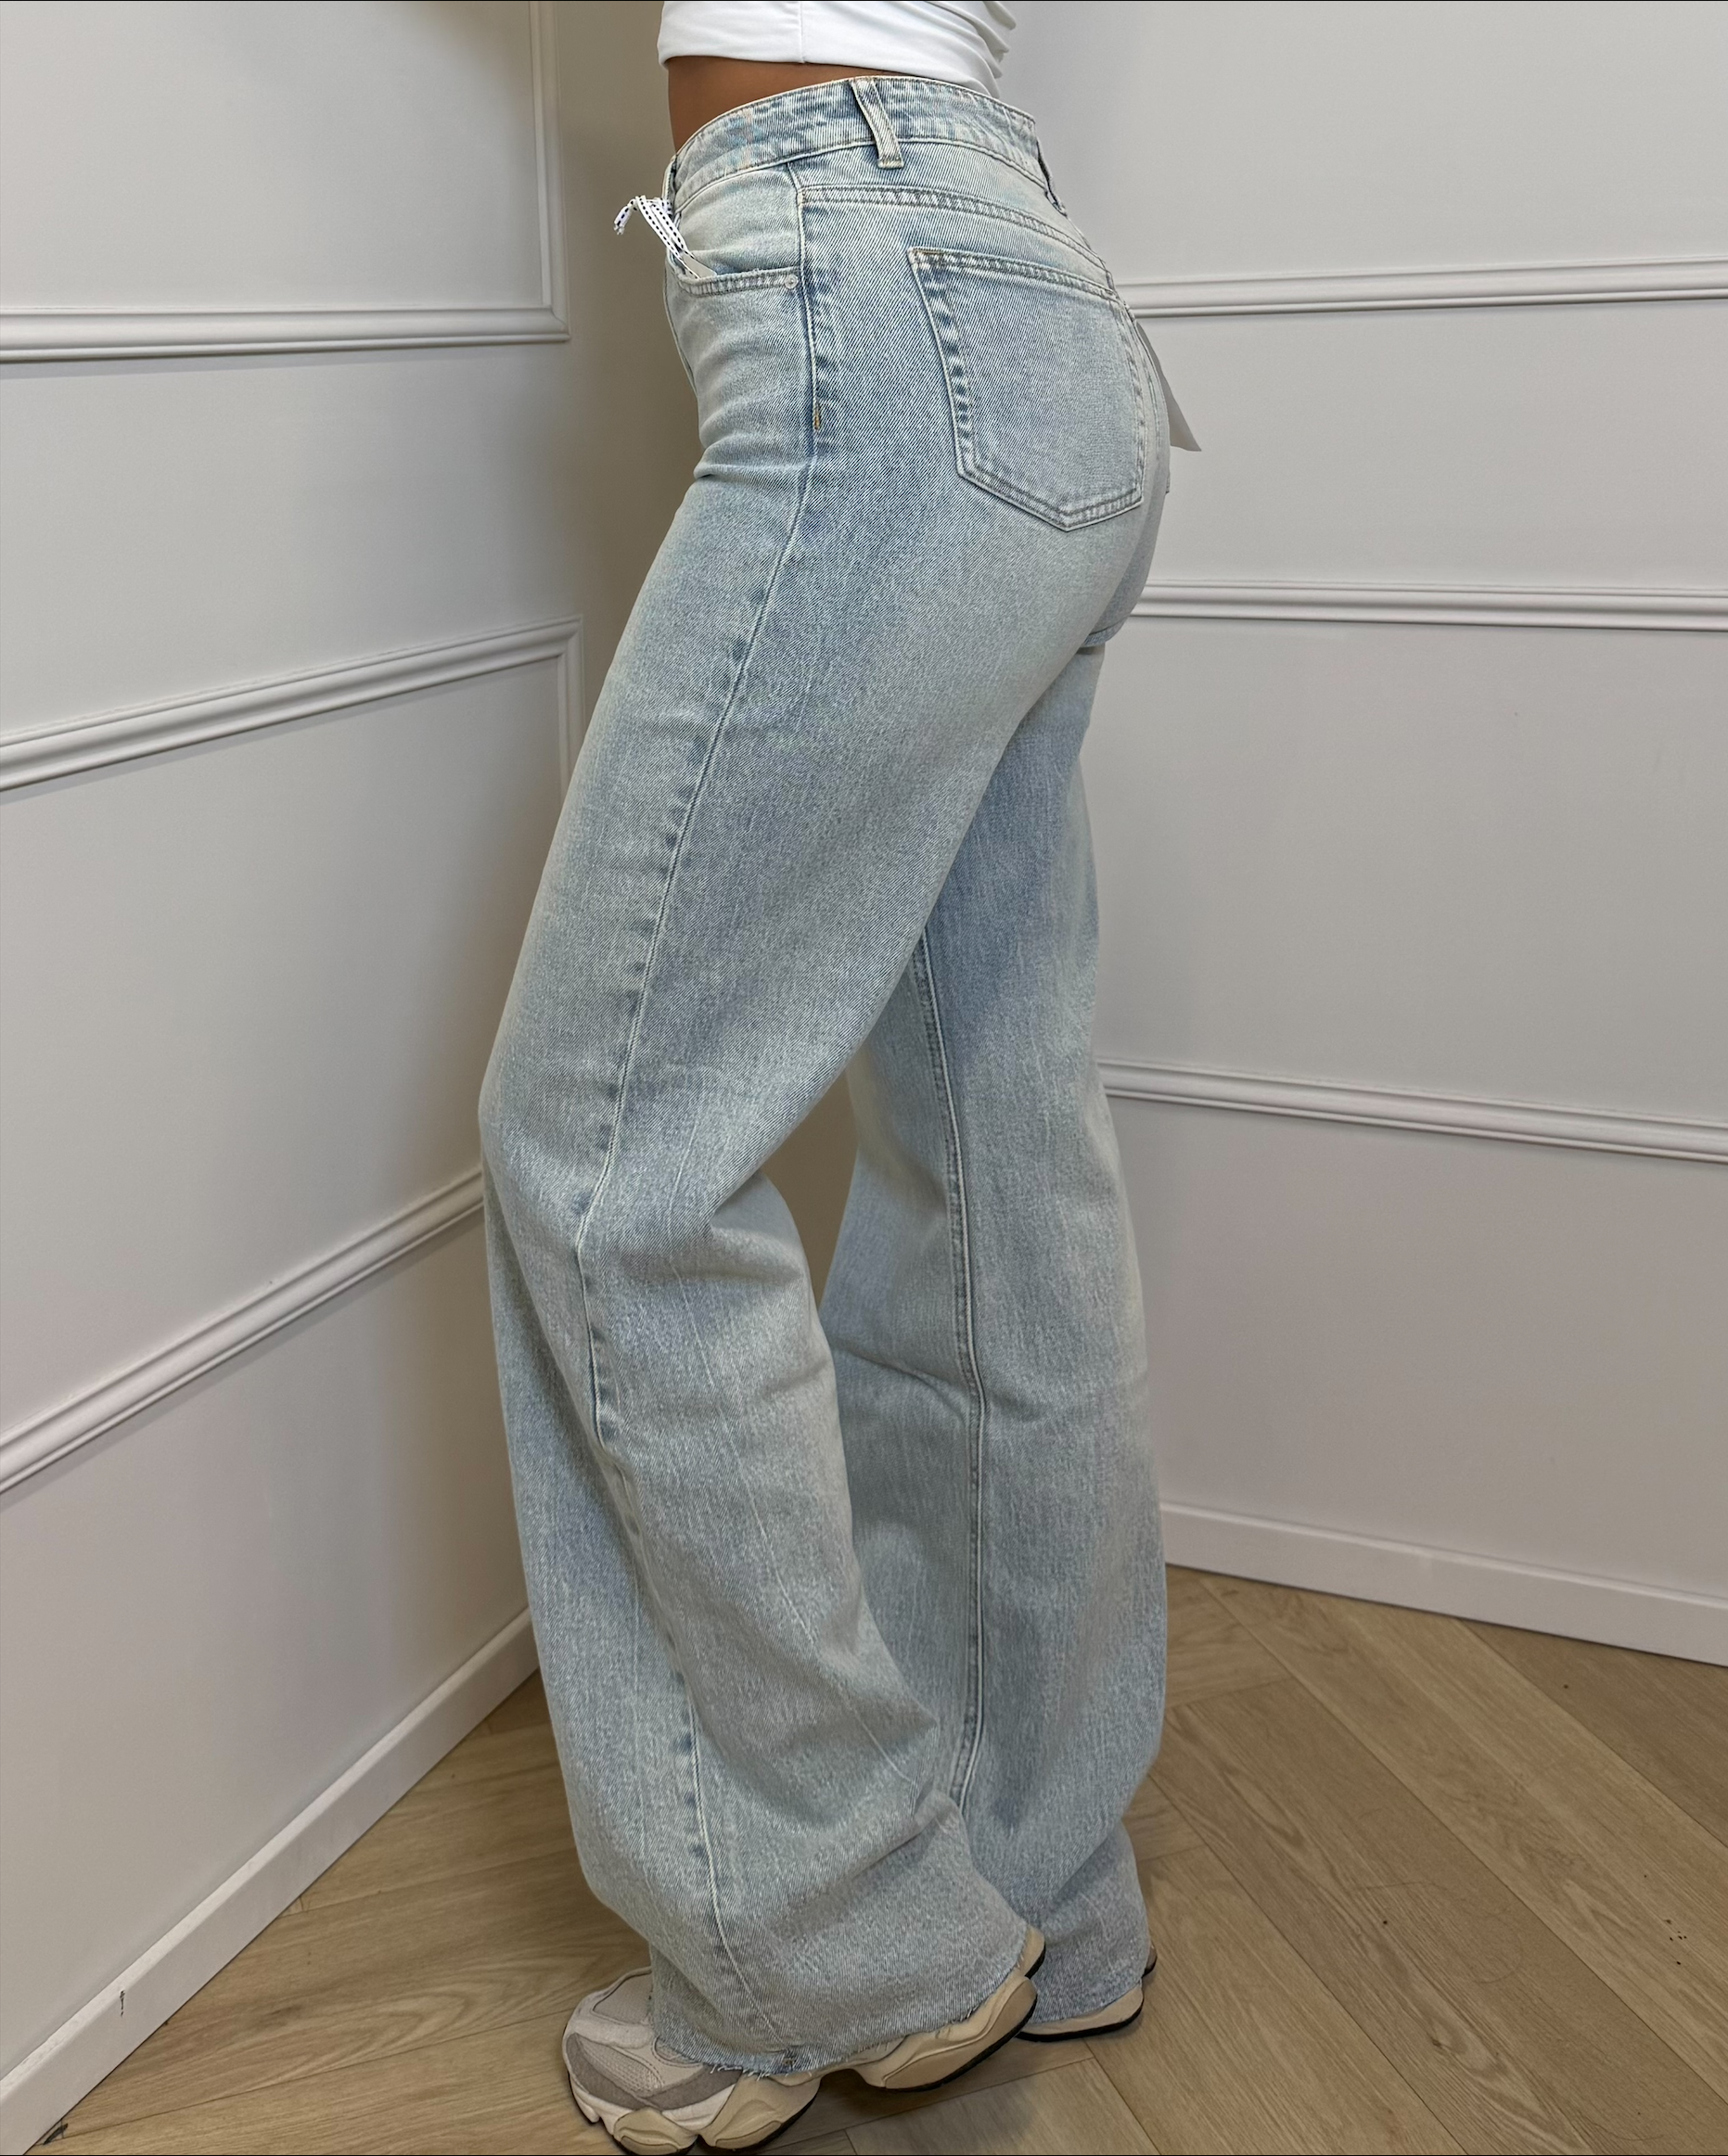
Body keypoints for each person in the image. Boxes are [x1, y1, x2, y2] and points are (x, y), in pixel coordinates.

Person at [478, 5, 1195, 2148]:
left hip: (877, 283)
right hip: (1016, 302)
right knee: (995, 1149)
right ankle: (1032, 1874)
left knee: (602, 1161)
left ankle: (823, 1932)